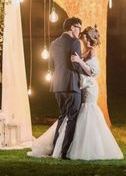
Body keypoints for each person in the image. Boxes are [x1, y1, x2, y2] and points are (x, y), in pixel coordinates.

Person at [27, 26, 123, 161]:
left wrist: (79, 61)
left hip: (89, 87)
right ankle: (65, 146)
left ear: (87, 38)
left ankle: (85, 147)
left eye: (82, 36)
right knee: (76, 113)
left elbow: (92, 71)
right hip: (81, 85)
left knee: (87, 111)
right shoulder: (81, 49)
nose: (80, 38)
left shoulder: (91, 50)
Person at [49, 17, 86, 159]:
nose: (80, 31)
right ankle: (64, 152)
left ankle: (54, 149)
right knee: (72, 119)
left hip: (57, 85)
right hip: (71, 85)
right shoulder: (75, 42)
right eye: (79, 27)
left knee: (62, 116)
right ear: (72, 28)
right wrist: (86, 70)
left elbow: (50, 66)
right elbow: (75, 65)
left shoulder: (53, 43)